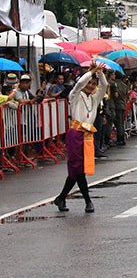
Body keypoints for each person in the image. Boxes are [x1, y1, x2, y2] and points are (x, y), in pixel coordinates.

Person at [53, 62, 108, 213]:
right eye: (89, 83)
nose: (90, 86)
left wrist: (100, 73)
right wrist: (91, 72)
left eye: (93, 84)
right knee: (79, 169)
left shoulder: (94, 99)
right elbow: (79, 84)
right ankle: (88, 201)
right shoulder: (75, 95)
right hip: (76, 133)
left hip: (88, 134)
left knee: (77, 169)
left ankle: (61, 197)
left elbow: (104, 87)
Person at [113, 72, 128, 146]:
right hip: (123, 104)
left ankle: (120, 138)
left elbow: (116, 95)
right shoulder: (124, 85)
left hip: (117, 105)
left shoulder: (115, 84)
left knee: (118, 123)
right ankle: (122, 138)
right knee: (121, 122)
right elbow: (126, 94)